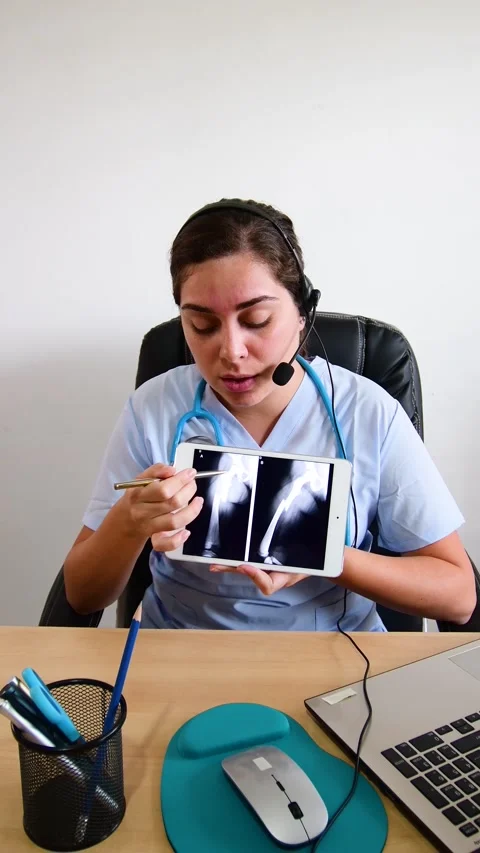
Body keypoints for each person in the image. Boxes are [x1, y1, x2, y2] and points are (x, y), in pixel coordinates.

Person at [63, 198, 475, 631]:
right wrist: (129, 522)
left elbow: (458, 596)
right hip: (180, 654)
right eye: (202, 326)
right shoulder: (154, 409)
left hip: (336, 658)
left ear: (302, 312)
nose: (231, 352)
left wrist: (325, 555)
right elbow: (83, 594)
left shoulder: (368, 413)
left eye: (257, 319)